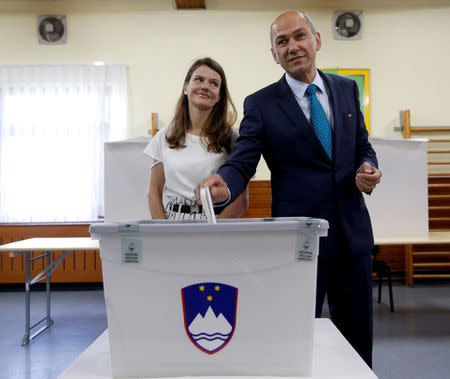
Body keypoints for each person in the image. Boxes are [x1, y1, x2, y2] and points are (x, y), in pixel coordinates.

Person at [196, 11, 381, 367]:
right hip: (300, 241)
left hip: (352, 235)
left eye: (299, 36)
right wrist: (225, 184)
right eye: (282, 41)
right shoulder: (261, 104)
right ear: (273, 54)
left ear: (317, 41)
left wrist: (366, 168)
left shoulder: (346, 89)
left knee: (358, 341)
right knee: (297, 341)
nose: (292, 46)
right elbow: (242, 163)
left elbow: (361, 145)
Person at [145, 57, 248, 220]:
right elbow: (153, 193)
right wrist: (164, 233)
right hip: (172, 224)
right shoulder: (164, 136)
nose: (206, 86)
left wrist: (212, 235)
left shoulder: (232, 138)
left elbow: (241, 201)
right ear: (186, 88)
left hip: (216, 224)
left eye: (214, 83)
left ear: (219, 96)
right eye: (199, 79)